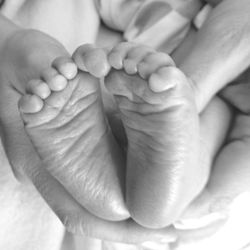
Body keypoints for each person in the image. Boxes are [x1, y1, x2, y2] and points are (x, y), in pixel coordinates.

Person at [1, 0, 250, 249]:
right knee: (200, 139)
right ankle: (166, 197)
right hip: (174, 84)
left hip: (169, 73)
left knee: (202, 138)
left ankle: (165, 195)